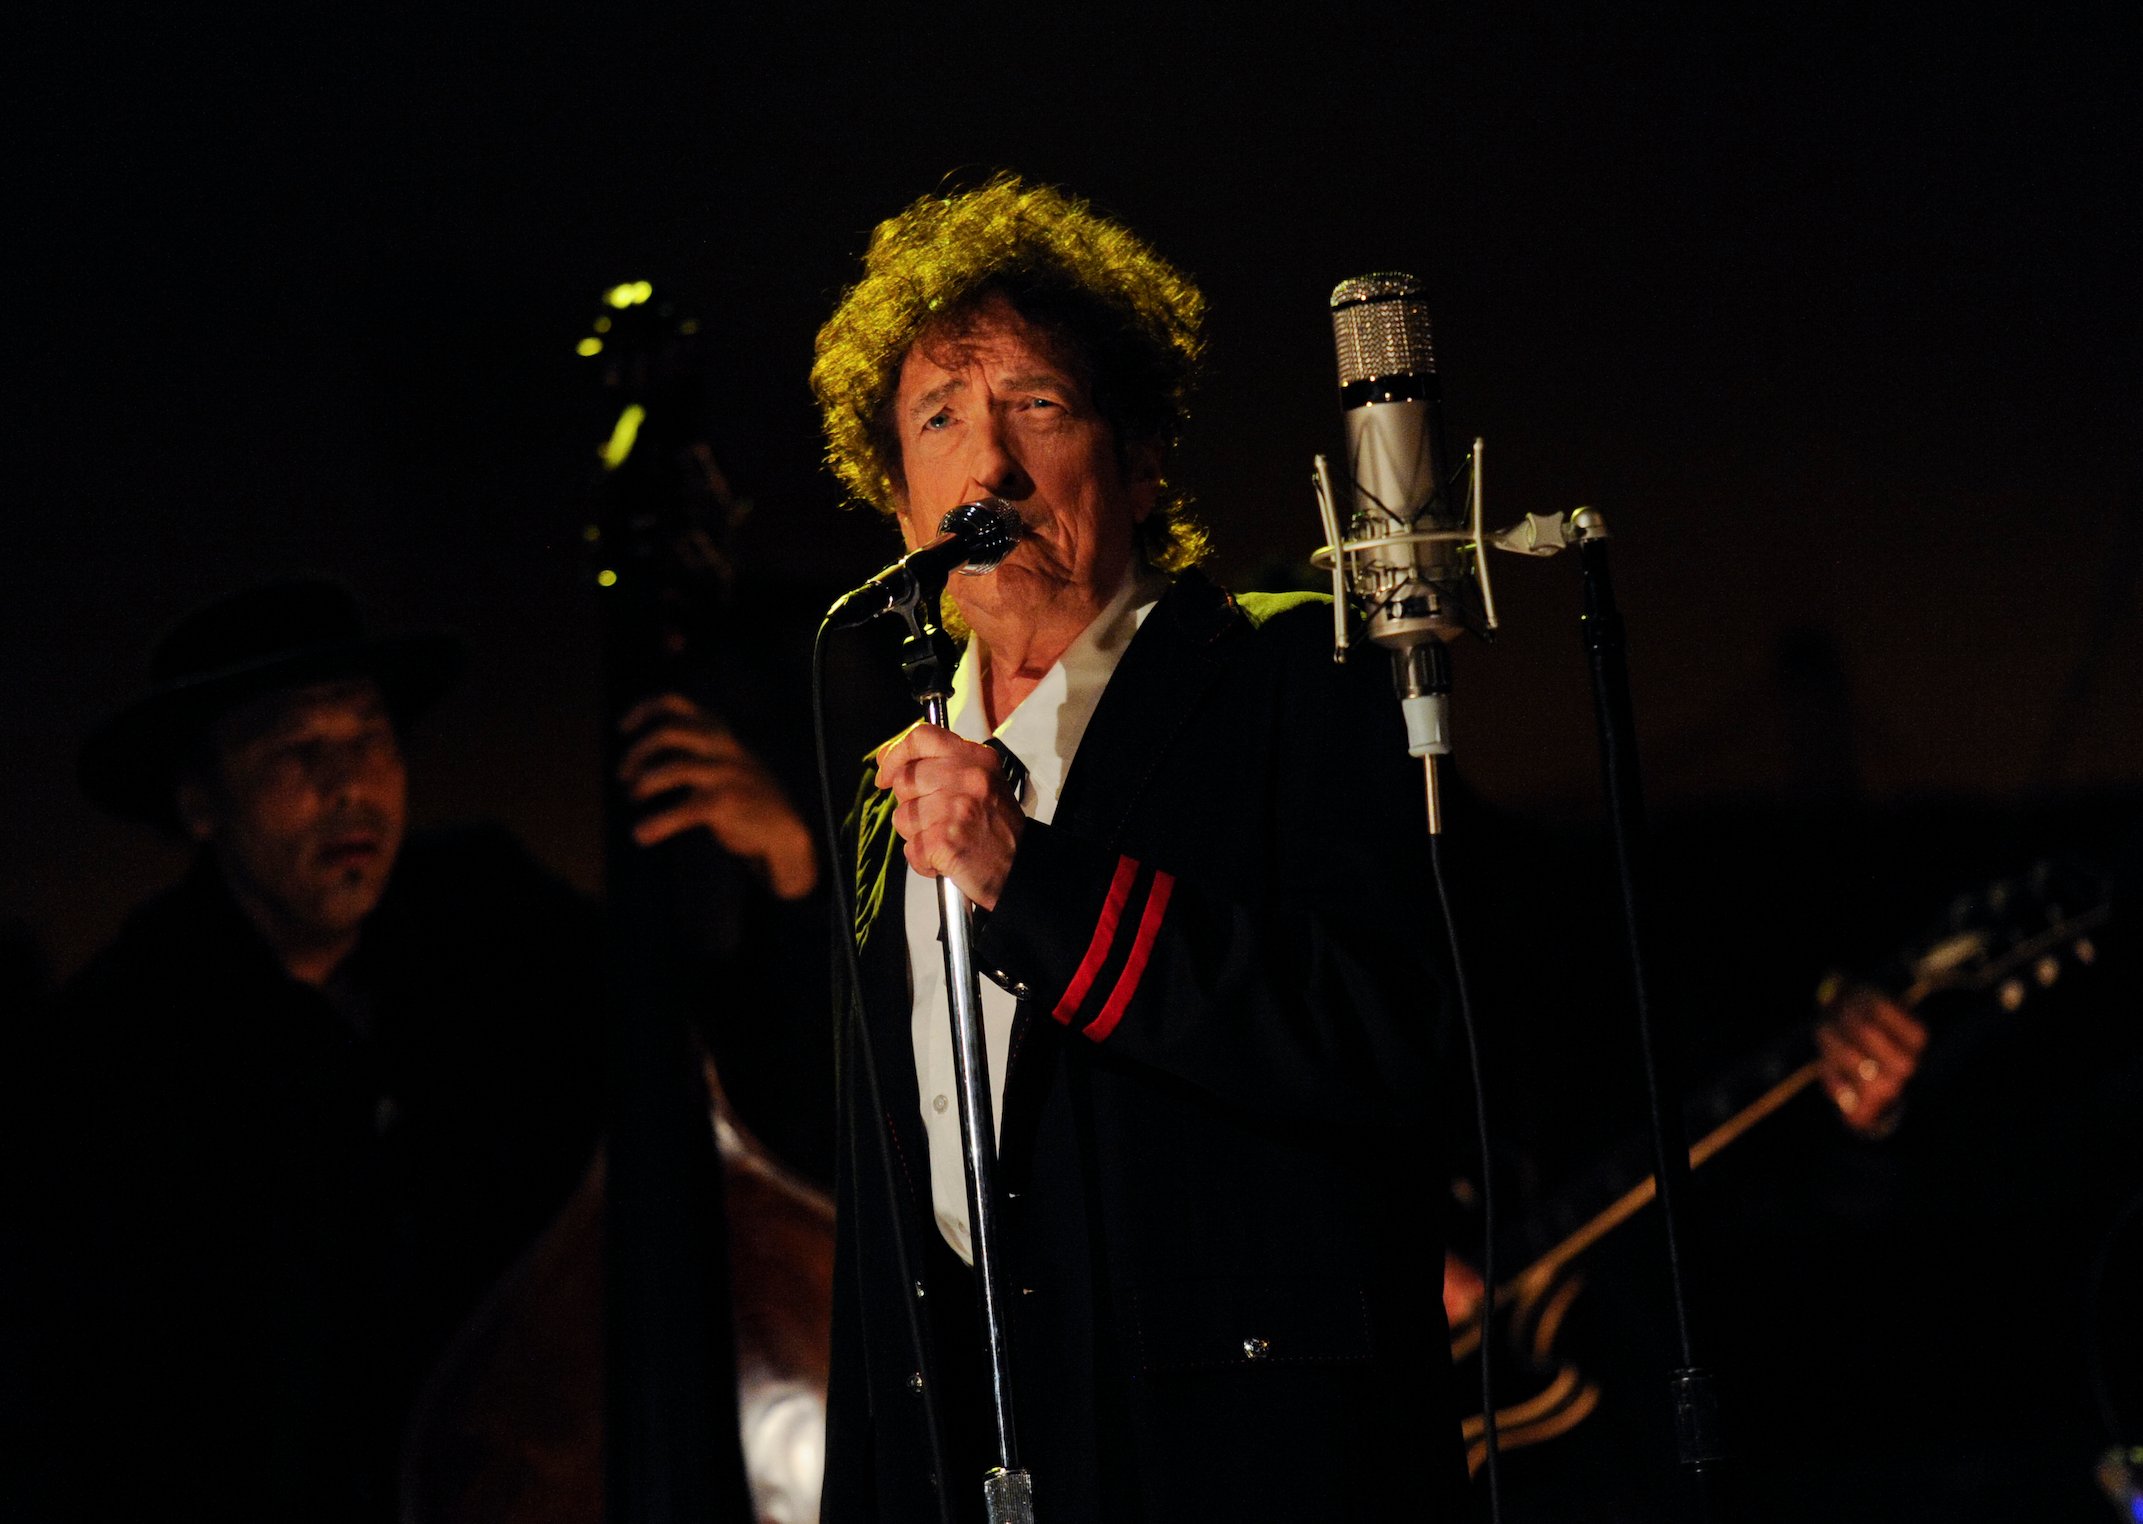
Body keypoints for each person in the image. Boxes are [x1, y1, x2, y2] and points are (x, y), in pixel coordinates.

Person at [808, 175, 1467, 1520]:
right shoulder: (899, 787)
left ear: (1142, 455)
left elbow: (1378, 1036)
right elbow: (883, 1237)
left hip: (1236, 1459)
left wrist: (1022, 879)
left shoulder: (1285, 677)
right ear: (898, 506)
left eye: (1035, 405)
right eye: (939, 419)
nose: (986, 465)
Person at [29, 578, 820, 1521]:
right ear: (202, 802)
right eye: (295, 751)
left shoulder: (486, 908)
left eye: (369, 738)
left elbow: (722, 1084)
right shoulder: (116, 1041)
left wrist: (788, 872)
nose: (349, 786)